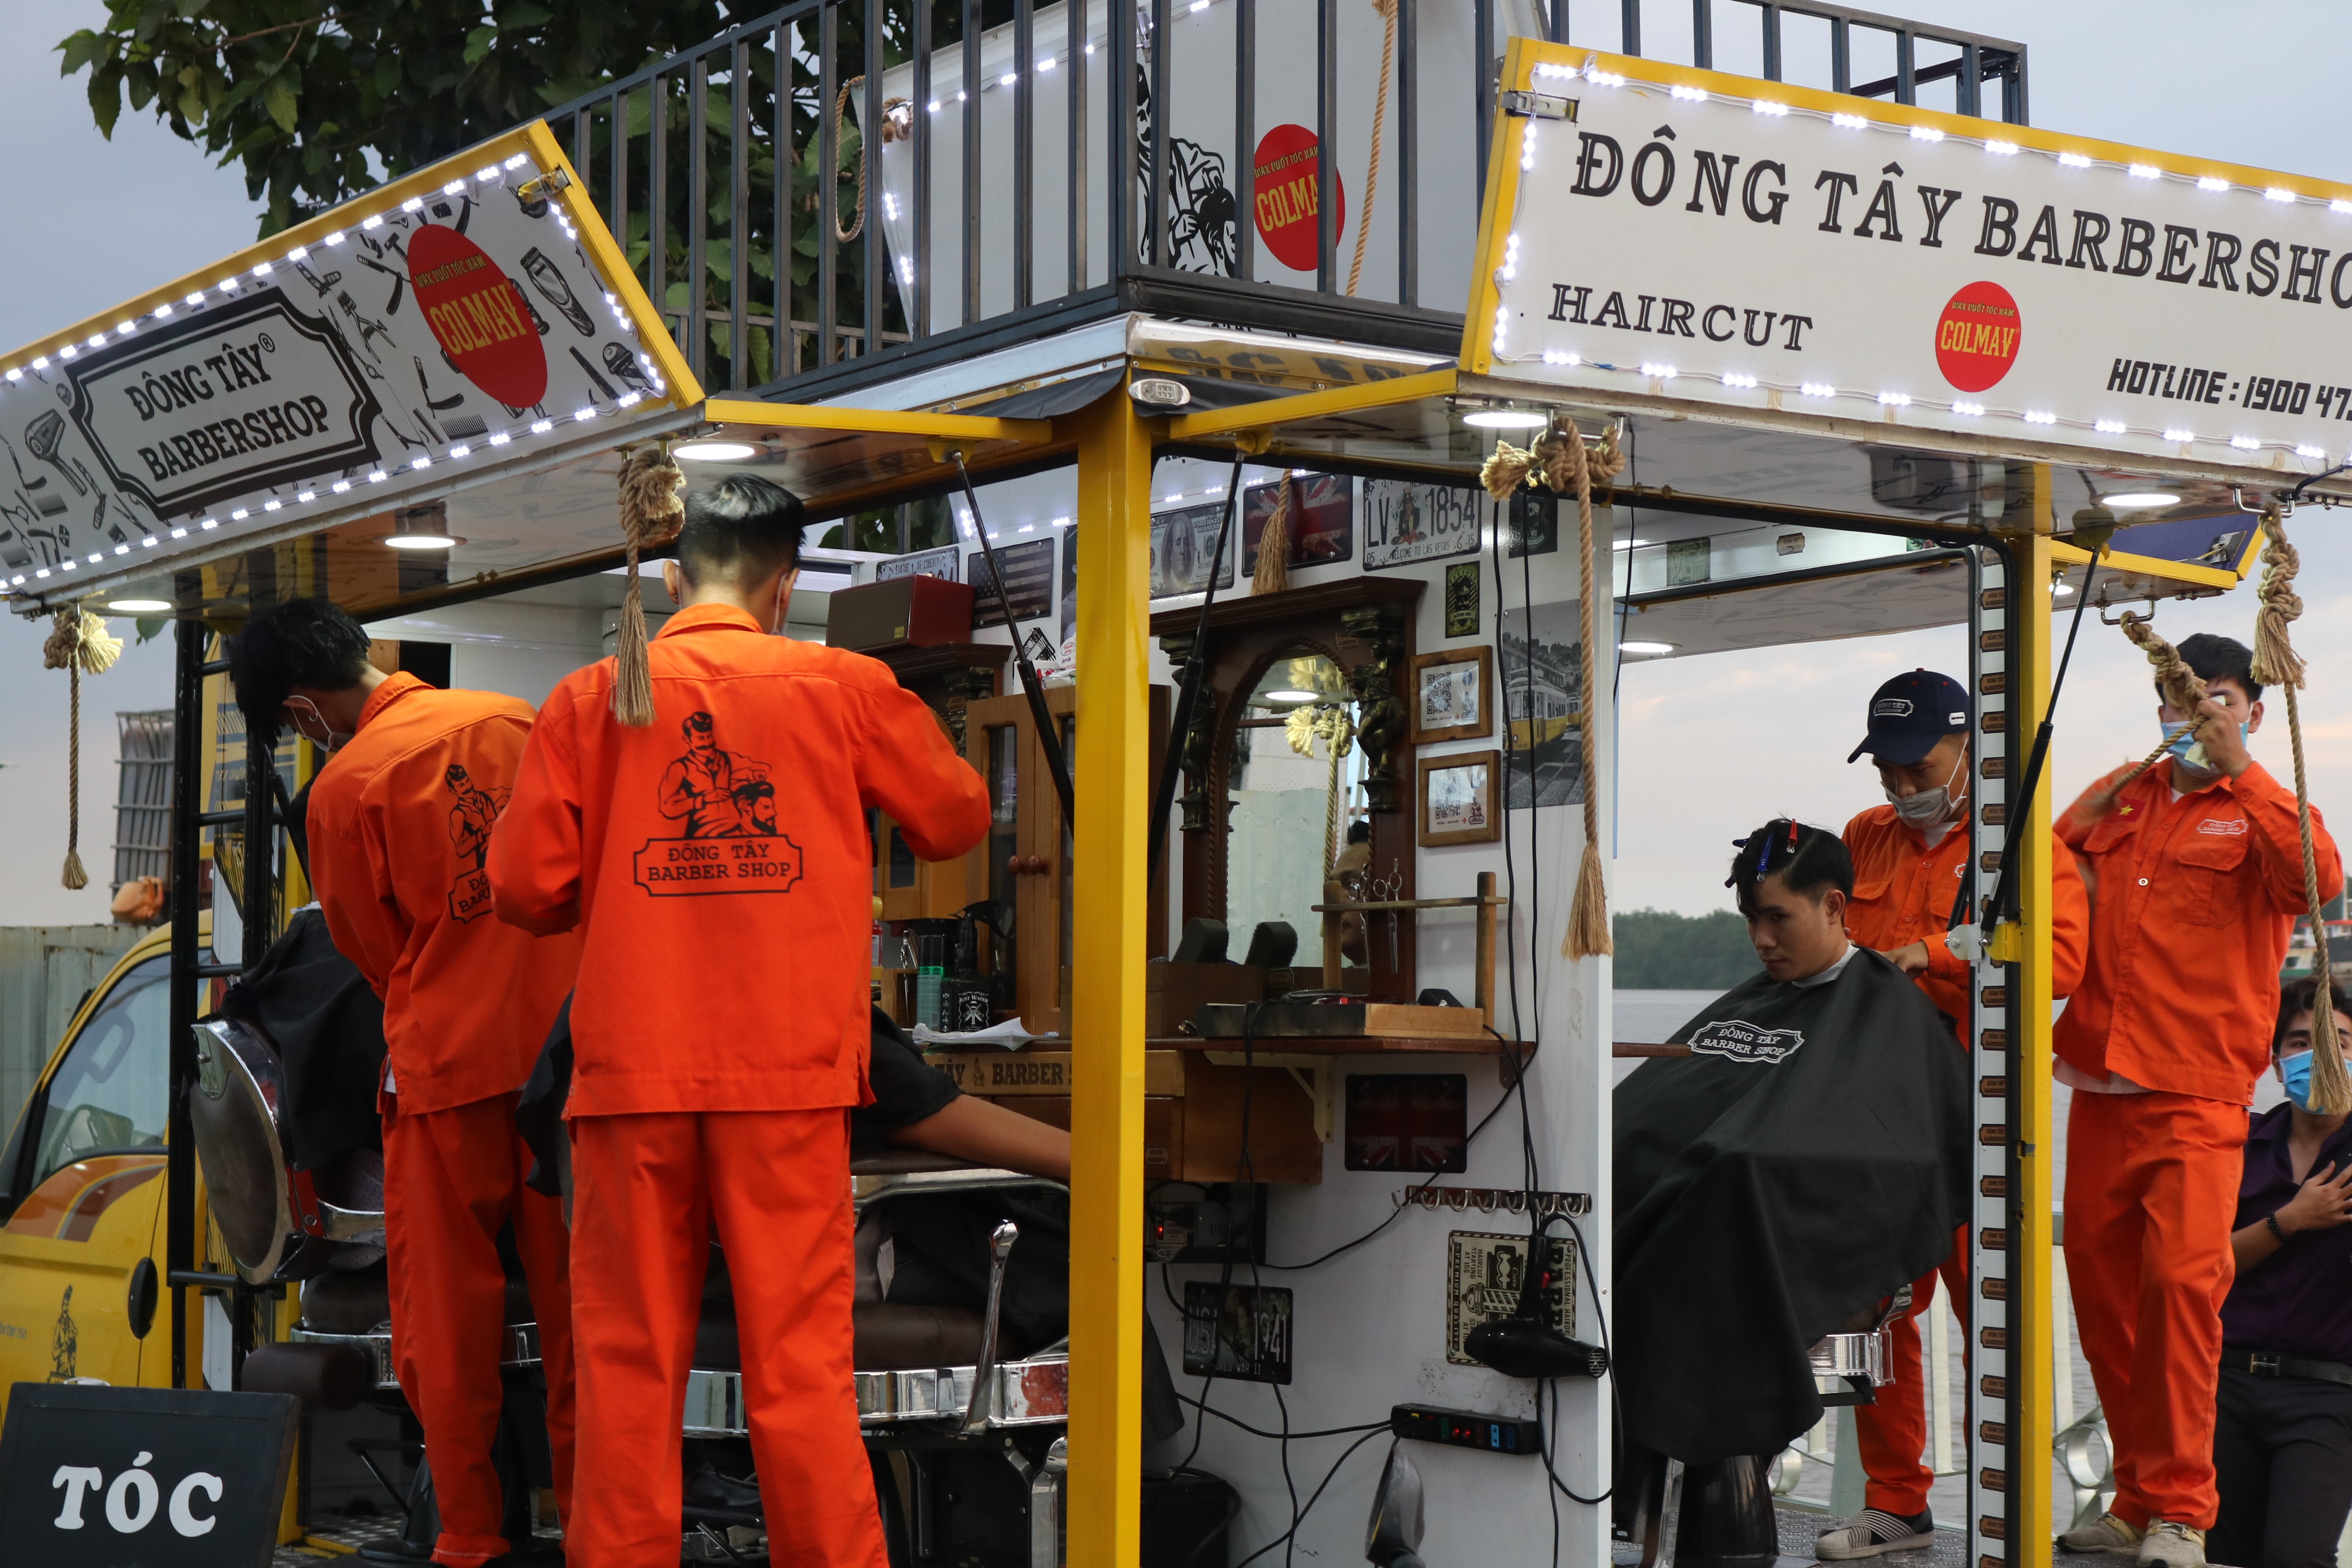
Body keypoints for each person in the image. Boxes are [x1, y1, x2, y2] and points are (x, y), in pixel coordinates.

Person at [488, 474, 990, 1568]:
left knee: (624, 1369)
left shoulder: (591, 695)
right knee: (799, 1368)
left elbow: (525, 885)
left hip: (629, 1080)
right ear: (786, 582)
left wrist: (625, 880)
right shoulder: (842, 685)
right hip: (786, 1080)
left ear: (672, 573)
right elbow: (956, 818)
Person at [227, 600, 581, 1568]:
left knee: (447, 1326)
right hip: (568, 1072)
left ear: (304, 711)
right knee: (585, 1314)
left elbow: (372, 954)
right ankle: (604, 1528)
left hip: (444, 1073)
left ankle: (470, 1537)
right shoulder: (523, 721)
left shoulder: (345, 788)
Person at [2054, 632, 2343, 1567]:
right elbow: (2047, 875)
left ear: (2251, 710)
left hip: (2199, 1094)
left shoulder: (2264, 808)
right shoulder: (2125, 794)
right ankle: (2137, 1501)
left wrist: (2245, 772)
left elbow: (2318, 882)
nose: (2195, 715)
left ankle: (2182, 1507)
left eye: (2216, 699)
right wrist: (2074, 817)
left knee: (2183, 1287)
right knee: (2106, 1302)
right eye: (2179, 700)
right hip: (2100, 1085)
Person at [1612, 821, 1969, 1543]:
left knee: (1720, 1196)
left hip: (1793, 1234)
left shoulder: (1881, 1008)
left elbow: (1895, 1151)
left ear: (1837, 907)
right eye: (1752, 920)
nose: (1762, 940)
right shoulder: (1760, 998)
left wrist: (1740, 1160)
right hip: (1706, 1229)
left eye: (1779, 917)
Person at [1819, 669, 2091, 1560]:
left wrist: (1934, 952)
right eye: (1885, 770)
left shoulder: (2021, 843)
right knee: (1859, 1311)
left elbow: (2058, 962)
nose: (1901, 787)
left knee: (1995, 1316)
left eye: (1915, 766)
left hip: (1972, 1115)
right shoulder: (1863, 837)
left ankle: (2015, 1505)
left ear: (1967, 746)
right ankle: (1890, 1501)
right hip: (1869, 1114)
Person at [2210, 976, 2352, 1568]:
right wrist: (2289, 1220)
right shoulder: (2235, 1144)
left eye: (2340, 1039)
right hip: (2226, 1384)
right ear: (2274, 1060)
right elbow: (2204, 1267)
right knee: (2220, 1554)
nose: (2322, 1053)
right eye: (2302, 1040)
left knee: (2297, 1555)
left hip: (2327, 1394)